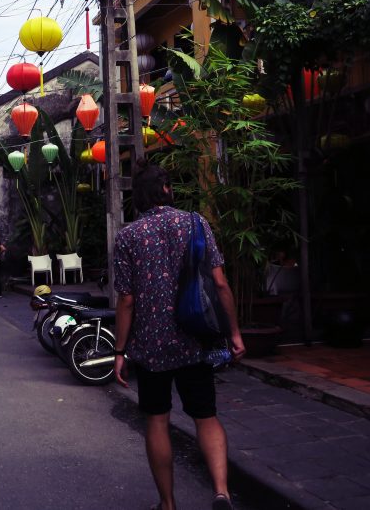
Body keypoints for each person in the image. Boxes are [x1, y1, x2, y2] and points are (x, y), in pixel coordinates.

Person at [112, 162, 245, 510]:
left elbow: (126, 299)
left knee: (157, 420)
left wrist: (120, 350)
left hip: (151, 346)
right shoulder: (195, 223)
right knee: (206, 416)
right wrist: (233, 332)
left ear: (137, 198)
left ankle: (168, 503)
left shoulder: (128, 236)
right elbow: (219, 283)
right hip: (195, 338)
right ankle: (221, 492)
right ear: (168, 190)